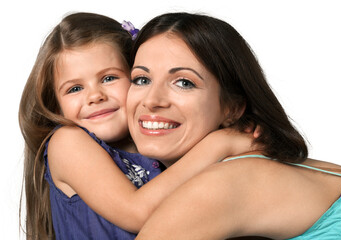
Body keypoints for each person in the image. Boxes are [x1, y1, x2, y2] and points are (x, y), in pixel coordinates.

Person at [18, 12, 256, 240]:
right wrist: (220, 143)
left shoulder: (160, 147)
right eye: (74, 89)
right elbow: (136, 213)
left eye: (109, 78)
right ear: (57, 107)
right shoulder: (68, 142)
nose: (95, 96)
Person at [122, 12, 341, 239]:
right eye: (141, 79)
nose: (151, 100)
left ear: (232, 108)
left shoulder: (221, 185)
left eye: (184, 82)